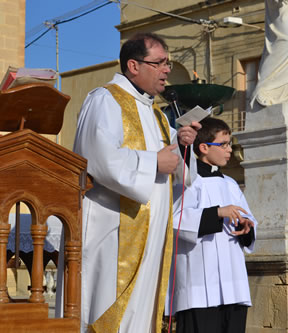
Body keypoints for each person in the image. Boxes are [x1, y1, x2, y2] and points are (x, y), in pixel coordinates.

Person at [73, 32, 201, 333]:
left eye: (167, 63)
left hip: (152, 234)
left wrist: (184, 144)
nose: (167, 70)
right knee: (107, 307)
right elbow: (98, 159)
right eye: (159, 63)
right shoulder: (104, 100)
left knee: (143, 313)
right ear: (133, 65)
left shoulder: (158, 115)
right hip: (114, 232)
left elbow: (185, 174)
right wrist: (153, 162)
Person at [165, 118, 258, 333]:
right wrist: (216, 213)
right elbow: (175, 221)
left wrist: (247, 226)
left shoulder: (231, 184)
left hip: (233, 284)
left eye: (230, 144)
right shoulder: (187, 182)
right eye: (223, 144)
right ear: (204, 148)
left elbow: (250, 221)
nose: (229, 150)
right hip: (198, 286)